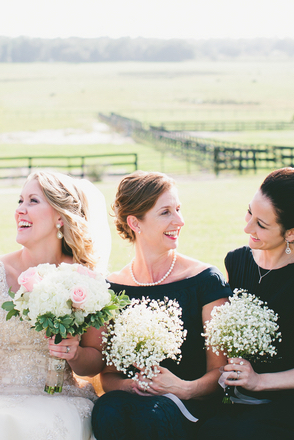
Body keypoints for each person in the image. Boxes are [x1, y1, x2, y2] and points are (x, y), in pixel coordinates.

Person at [0, 170, 113, 440]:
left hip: (60, 401)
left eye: (33, 201)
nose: (20, 210)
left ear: (60, 217)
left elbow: (94, 362)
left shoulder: (84, 281)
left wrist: (74, 354)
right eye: (19, 201)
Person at [197, 168, 294, 440]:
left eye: (261, 224)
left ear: (292, 233)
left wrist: (259, 381)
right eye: (250, 213)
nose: (247, 228)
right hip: (243, 402)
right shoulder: (236, 261)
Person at [91, 171, 232, 440]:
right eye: (166, 212)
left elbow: (220, 370)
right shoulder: (112, 290)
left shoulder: (205, 281)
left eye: (178, 209)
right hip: (132, 403)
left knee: (154, 416)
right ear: (135, 222)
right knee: (106, 410)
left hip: (191, 405)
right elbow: (108, 376)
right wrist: (130, 385)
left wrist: (183, 388)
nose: (180, 220)